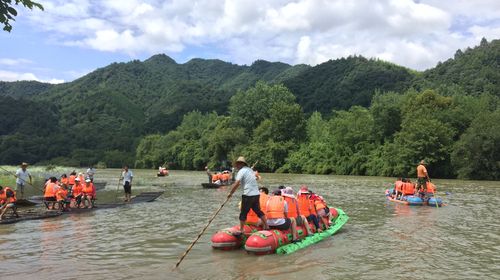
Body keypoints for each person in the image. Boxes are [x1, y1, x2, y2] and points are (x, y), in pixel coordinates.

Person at [229, 156, 268, 236]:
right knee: (258, 211)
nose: (236, 166)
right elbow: (253, 179)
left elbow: (237, 183)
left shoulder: (241, 171)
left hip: (248, 194)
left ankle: (241, 230)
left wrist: (230, 193)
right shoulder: (250, 170)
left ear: (240, 164)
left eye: (237, 165)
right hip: (256, 194)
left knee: (243, 213)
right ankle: (267, 226)